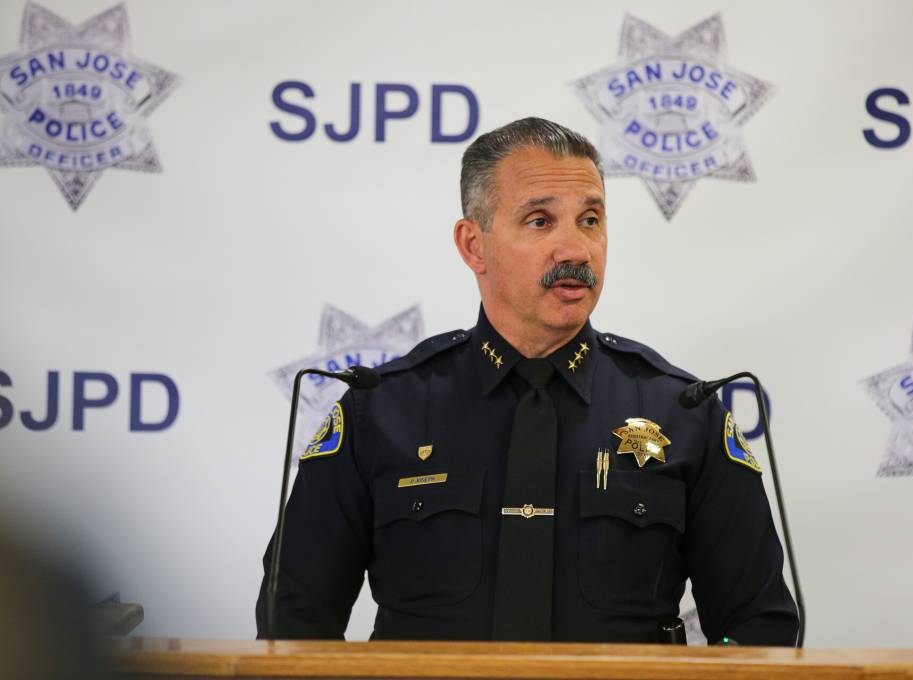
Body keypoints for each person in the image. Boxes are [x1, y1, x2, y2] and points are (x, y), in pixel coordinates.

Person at [256, 117, 799, 645]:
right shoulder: (383, 409)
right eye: (540, 221)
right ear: (474, 245)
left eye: (590, 220)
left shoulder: (684, 412)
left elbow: (757, 627)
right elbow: (295, 617)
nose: (575, 250)